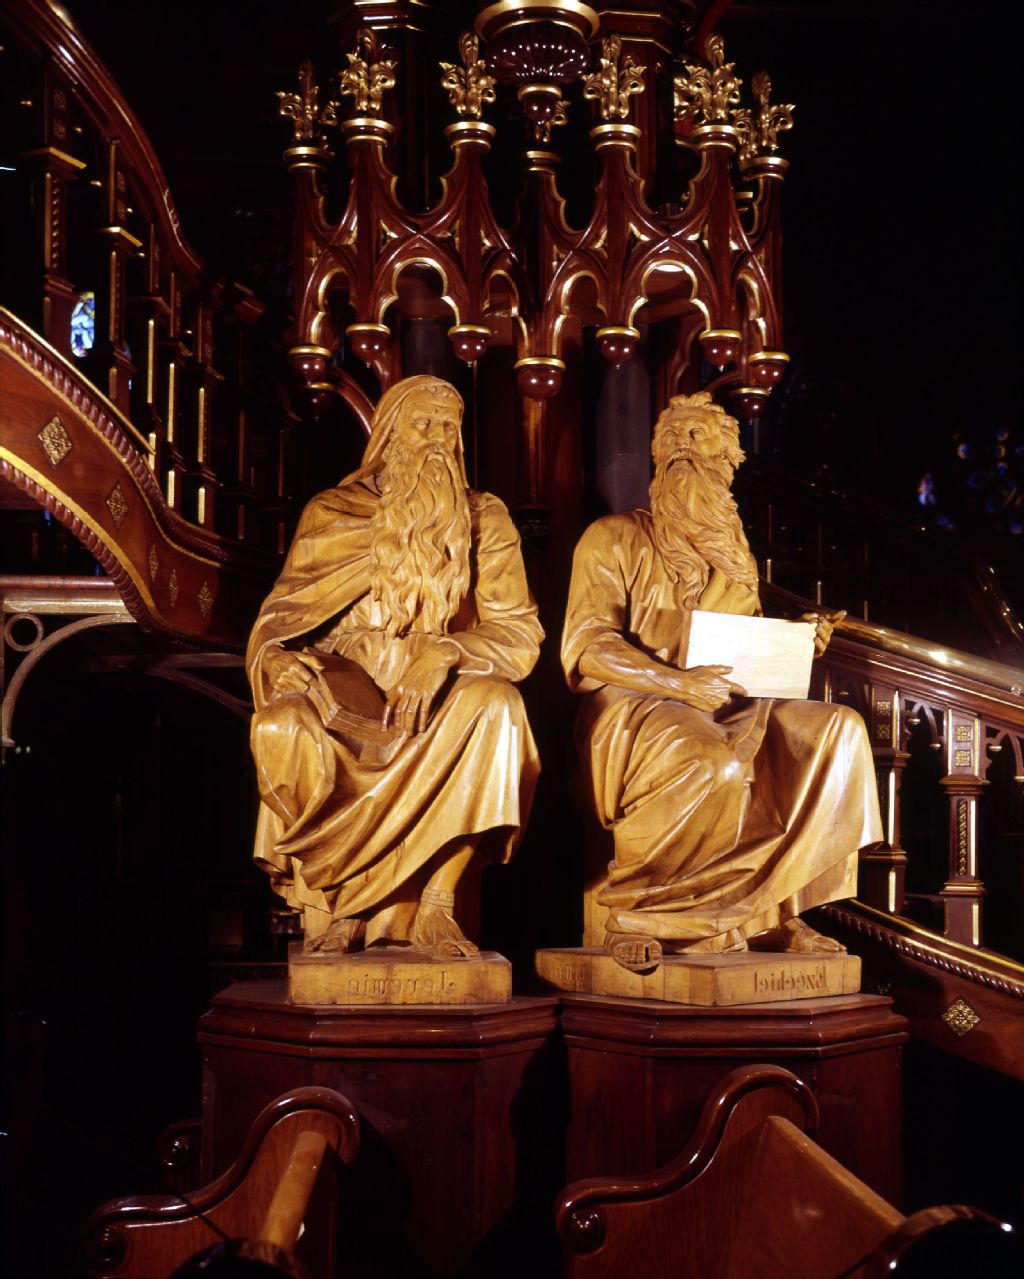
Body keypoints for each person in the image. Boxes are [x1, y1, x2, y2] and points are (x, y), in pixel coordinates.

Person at [561, 391, 882, 973]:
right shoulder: (612, 536)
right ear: (659, 456)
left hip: (730, 702)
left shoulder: (735, 557)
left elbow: (740, 645)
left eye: (700, 437)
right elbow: (588, 645)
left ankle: (772, 910)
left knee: (838, 732)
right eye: (675, 438)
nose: (686, 446)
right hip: (639, 705)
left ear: (728, 461)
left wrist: (795, 638)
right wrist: (674, 683)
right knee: (711, 760)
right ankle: (641, 915)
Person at [248, 375, 542, 959]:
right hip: (344, 691)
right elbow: (281, 621)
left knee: (500, 707)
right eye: (422, 423)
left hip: (440, 696)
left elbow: (519, 633)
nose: (436, 438)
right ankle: (341, 905)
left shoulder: (484, 518)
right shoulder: (333, 511)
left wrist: (447, 652)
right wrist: (278, 661)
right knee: (280, 725)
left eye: (448, 428)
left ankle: (437, 904)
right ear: (389, 433)